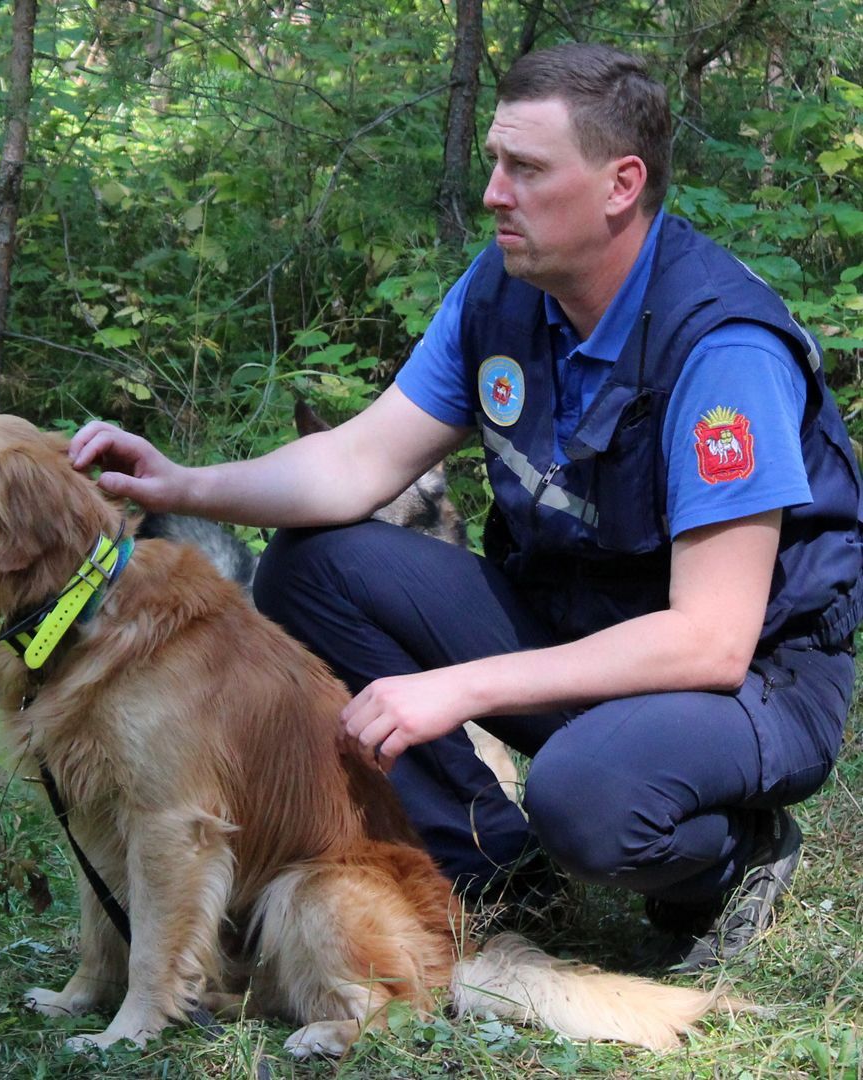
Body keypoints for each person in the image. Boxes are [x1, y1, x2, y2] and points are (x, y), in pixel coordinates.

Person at [69, 43, 862, 971]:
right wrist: (181, 481)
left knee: (586, 798)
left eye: (525, 168)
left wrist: (459, 688)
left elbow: (710, 640)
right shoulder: (505, 295)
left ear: (621, 184)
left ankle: (729, 859)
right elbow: (358, 462)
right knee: (314, 567)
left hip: (749, 684)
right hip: (581, 633)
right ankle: (490, 863)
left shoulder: (721, 349)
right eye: (494, 160)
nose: (494, 191)